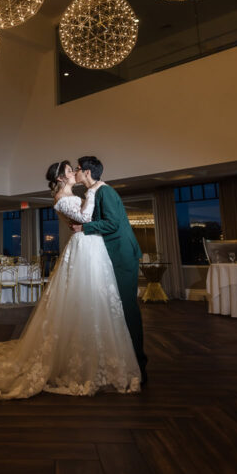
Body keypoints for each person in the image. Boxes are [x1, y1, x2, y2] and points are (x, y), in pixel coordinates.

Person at [0, 160, 141, 399]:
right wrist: (94, 192)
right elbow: (85, 217)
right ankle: (79, 359)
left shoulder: (75, 193)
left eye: (75, 169)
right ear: (61, 179)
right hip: (84, 246)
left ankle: (94, 354)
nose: (73, 172)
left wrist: (91, 195)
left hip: (90, 246)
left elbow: (90, 219)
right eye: (68, 170)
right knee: (82, 295)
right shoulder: (64, 198)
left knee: (93, 297)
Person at [69, 156, 148, 382]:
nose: (75, 172)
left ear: (87, 172)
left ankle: (139, 365)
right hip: (111, 254)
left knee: (126, 306)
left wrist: (85, 227)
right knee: (115, 306)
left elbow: (112, 223)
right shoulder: (94, 192)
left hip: (122, 254)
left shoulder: (106, 192)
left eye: (77, 169)